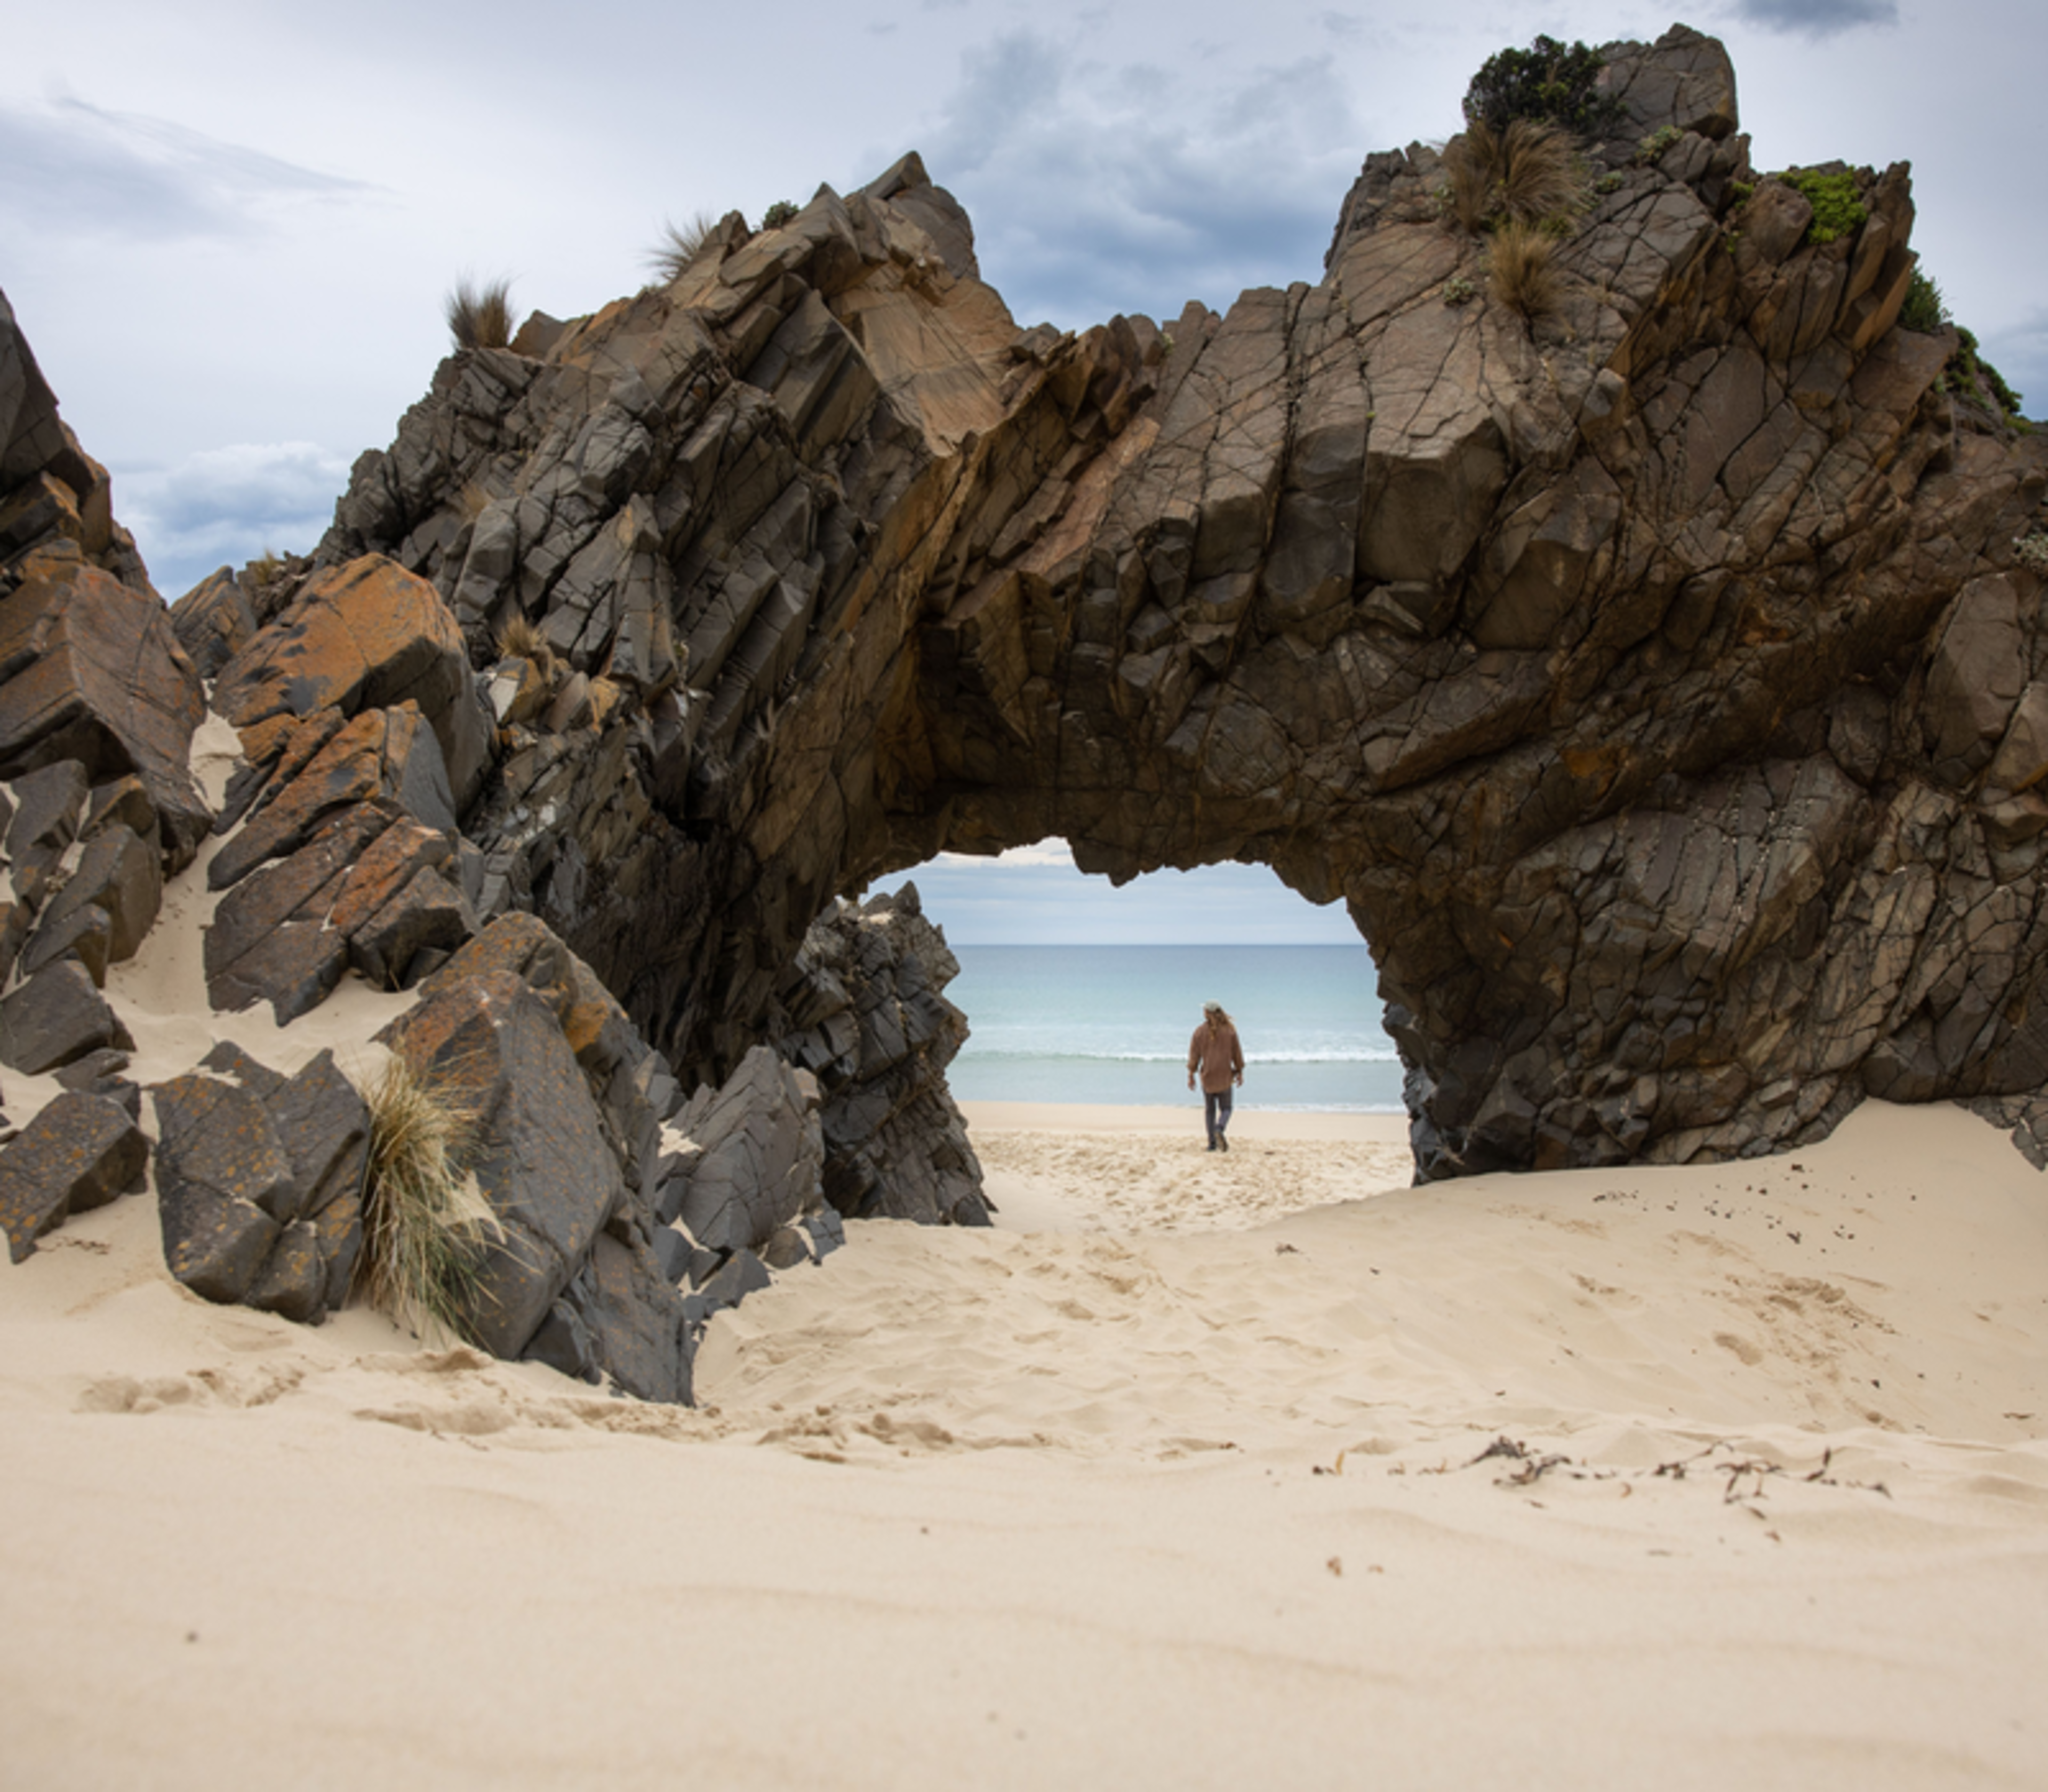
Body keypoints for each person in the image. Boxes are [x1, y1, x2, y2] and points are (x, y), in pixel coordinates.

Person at [1187, 1000, 1244, 1151]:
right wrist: (1240, 1071)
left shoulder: (1199, 1032)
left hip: (1208, 1076)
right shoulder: (1230, 1031)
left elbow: (1194, 1056)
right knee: (1226, 1108)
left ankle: (1212, 1143)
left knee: (1210, 1110)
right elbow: (1237, 1053)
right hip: (1225, 1076)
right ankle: (1220, 1127)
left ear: (1208, 1013)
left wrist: (1191, 1074)